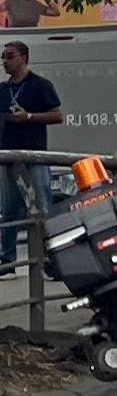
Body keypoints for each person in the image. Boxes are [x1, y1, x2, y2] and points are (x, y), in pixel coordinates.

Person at [0, 41, 62, 274]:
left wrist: (29, 117)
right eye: (3, 57)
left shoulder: (40, 85)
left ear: (24, 58)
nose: (5, 61)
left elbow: (58, 115)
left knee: (42, 206)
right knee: (9, 208)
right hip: (8, 156)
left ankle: (51, 259)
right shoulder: (3, 90)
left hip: (35, 155)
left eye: (10, 56)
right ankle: (7, 260)